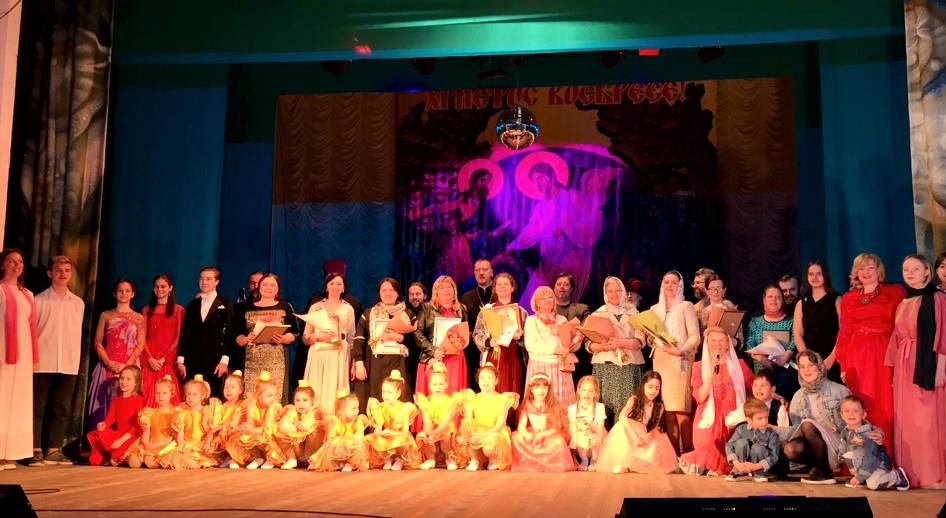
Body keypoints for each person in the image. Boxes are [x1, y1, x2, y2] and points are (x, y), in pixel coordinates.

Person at [885, 254, 946, 488]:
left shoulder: (938, 298)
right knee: (908, 422)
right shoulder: (903, 302)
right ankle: (910, 474)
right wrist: (894, 374)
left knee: (928, 421)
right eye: (906, 269)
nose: (910, 273)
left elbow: (943, 334)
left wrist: (941, 369)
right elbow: (896, 339)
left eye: (916, 269)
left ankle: (933, 475)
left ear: (927, 272)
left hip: (927, 364)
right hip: (904, 368)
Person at [834, 253, 904, 449]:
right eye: (861, 268)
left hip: (884, 354)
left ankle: (886, 454)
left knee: (884, 404)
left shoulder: (895, 292)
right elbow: (845, 332)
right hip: (856, 358)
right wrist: (844, 365)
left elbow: (902, 326)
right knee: (859, 403)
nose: (865, 272)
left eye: (870, 267)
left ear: (878, 270)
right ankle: (860, 456)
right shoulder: (848, 298)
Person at [678, 327, 753, 476]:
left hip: (733, 416)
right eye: (713, 341)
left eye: (721, 340)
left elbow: (754, 387)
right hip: (709, 416)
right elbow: (700, 397)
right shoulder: (699, 366)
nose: (717, 344)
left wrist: (775, 396)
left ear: (728, 344)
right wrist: (712, 374)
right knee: (708, 444)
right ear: (707, 344)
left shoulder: (740, 365)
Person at [31, 255, 84, 466]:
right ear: (50, 273)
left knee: (61, 408)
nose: (63, 274)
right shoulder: (38, 300)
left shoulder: (78, 303)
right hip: (43, 360)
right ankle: (34, 448)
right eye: (59, 270)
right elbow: (32, 332)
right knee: (37, 407)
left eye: (67, 270)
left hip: (68, 361)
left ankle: (53, 449)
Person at [649, 270, 700, 454]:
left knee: (681, 409)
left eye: (674, 282)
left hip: (679, 360)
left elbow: (695, 336)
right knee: (668, 410)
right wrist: (649, 337)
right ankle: (673, 454)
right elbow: (652, 339)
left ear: (680, 286)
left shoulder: (686, 306)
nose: (669, 285)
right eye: (666, 282)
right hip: (661, 359)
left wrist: (682, 351)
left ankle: (687, 452)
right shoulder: (654, 309)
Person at [783, 350, 851, 485]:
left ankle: (824, 472)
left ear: (819, 366)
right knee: (790, 449)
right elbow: (797, 430)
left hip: (838, 443)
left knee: (807, 424)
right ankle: (819, 467)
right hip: (816, 450)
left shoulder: (840, 390)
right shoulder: (797, 397)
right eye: (802, 367)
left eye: (810, 365)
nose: (806, 370)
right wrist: (771, 429)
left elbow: (855, 422)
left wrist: (837, 425)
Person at [87, 279, 145, 429]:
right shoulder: (106, 315)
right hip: (108, 365)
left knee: (127, 404)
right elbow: (98, 341)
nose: (123, 293)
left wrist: (127, 365)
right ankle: (102, 435)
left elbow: (140, 345)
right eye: (120, 290)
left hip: (129, 366)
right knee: (104, 404)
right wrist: (108, 362)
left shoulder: (139, 318)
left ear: (133, 294)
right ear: (114, 293)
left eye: (127, 290)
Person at [587, 276, 645, 426]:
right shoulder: (598, 314)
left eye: (618, 290)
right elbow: (589, 344)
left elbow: (640, 341)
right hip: (605, 367)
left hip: (629, 367)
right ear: (605, 293)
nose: (614, 294)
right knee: (605, 409)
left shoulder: (634, 312)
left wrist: (620, 342)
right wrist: (603, 347)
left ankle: (624, 438)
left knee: (627, 408)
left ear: (624, 291)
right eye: (610, 291)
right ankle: (606, 438)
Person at [597, 370, 678, 475]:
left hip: (646, 432)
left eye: (657, 388)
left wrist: (649, 435)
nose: (653, 391)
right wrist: (635, 435)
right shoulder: (634, 399)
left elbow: (655, 425)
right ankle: (623, 464)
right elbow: (622, 416)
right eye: (650, 387)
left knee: (655, 448)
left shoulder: (659, 405)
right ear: (643, 385)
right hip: (632, 430)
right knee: (621, 427)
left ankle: (635, 465)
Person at [233, 273, 298, 401]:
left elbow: (294, 333)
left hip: (277, 359)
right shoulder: (246, 308)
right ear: (259, 287)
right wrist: (246, 339)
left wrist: (284, 338)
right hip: (252, 359)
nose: (268, 288)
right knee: (251, 396)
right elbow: (237, 335)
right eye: (265, 285)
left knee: (274, 396)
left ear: (278, 288)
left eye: (272, 285)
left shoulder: (285, 307)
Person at [352, 278, 414, 412]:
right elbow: (359, 339)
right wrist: (359, 363)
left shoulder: (408, 314)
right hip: (375, 365)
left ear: (397, 293)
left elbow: (415, 340)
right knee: (376, 399)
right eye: (384, 290)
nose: (388, 293)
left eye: (391, 290)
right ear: (379, 293)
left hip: (399, 364)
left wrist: (398, 337)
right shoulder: (369, 313)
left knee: (399, 398)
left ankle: (398, 424)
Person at [300, 272, 355, 413]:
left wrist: (353, 362)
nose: (335, 287)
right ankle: (314, 418)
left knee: (335, 388)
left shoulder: (348, 308)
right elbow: (305, 337)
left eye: (339, 284)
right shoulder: (316, 307)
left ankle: (334, 420)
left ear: (343, 287)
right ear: (326, 286)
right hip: (318, 353)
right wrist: (317, 336)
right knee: (316, 386)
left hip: (339, 355)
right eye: (332, 283)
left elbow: (351, 338)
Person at [177, 266, 234, 398]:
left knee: (213, 397)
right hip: (192, 360)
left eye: (208, 279)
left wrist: (224, 361)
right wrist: (180, 360)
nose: (204, 282)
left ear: (217, 282)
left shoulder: (226, 304)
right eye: (201, 279)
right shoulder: (192, 304)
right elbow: (185, 333)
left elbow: (229, 335)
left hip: (215, 361)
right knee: (192, 396)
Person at [838, 395, 910, 490]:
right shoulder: (845, 431)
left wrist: (860, 477)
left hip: (877, 465)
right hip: (864, 466)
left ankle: (897, 476)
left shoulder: (869, 435)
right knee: (849, 454)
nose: (851, 414)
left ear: (864, 415)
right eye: (847, 411)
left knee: (873, 484)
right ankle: (865, 477)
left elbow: (871, 458)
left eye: (856, 411)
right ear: (842, 415)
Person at [456, 363, 519, 471]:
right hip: (478, 431)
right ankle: (474, 460)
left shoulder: (502, 399)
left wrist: (482, 436)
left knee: (489, 447)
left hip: (494, 431)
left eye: (489, 378)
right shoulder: (473, 398)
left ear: (496, 381)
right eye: (482, 378)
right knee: (467, 426)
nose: (486, 381)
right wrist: (463, 436)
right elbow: (468, 420)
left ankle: (492, 459)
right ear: (478, 381)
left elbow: (500, 425)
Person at [414, 275, 469, 399]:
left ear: (454, 290)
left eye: (449, 287)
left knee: (454, 395)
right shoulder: (426, 308)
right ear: (436, 291)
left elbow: (465, 332)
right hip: (433, 358)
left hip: (455, 359)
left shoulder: (461, 309)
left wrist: (461, 341)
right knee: (433, 396)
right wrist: (433, 351)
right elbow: (418, 333)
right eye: (442, 288)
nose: (446, 290)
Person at [472, 273, 527, 396]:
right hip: (494, 355)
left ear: (512, 288)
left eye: (506, 284)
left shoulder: (521, 312)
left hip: (514, 356)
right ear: (495, 288)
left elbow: (528, 340)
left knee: (513, 389)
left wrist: (520, 338)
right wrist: (489, 342)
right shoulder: (487, 310)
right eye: (499, 284)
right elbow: (477, 334)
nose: (502, 287)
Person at [511, 373, 575, 472]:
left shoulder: (553, 405)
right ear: (531, 389)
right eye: (537, 387)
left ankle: (548, 464)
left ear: (548, 389)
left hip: (548, 434)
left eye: (544, 387)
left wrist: (542, 435)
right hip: (533, 433)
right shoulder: (527, 405)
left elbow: (556, 427)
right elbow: (521, 427)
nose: (541, 390)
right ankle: (530, 463)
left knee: (558, 443)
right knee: (516, 438)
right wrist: (526, 434)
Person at [524, 286, 578, 404]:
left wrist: (575, 342)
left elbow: (571, 342)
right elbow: (530, 346)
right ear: (536, 303)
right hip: (541, 367)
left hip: (562, 366)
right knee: (543, 403)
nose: (547, 300)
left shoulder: (562, 319)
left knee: (562, 404)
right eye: (543, 298)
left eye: (550, 297)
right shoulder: (532, 320)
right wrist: (555, 350)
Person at [745, 285, 798, 398]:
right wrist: (761, 358)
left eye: (778, 297)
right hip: (762, 379)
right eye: (770, 297)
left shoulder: (792, 321)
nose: (774, 299)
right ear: (764, 300)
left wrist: (784, 358)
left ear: (782, 300)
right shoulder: (755, 322)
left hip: (786, 377)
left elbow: (795, 342)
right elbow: (749, 345)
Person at [793, 260, 842, 383]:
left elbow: (843, 332)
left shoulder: (837, 299)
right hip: (809, 362)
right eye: (811, 274)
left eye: (818, 274)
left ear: (825, 275)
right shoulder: (801, 303)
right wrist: (806, 360)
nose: (814, 277)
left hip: (832, 358)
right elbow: (797, 333)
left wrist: (832, 358)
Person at [86, 365, 144, 466]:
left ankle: (119, 457)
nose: (124, 382)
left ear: (136, 383)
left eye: (128, 379)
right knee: (97, 434)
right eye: (122, 378)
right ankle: (109, 455)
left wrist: (121, 441)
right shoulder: (115, 401)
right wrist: (103, 424)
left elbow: (135, 426)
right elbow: (109, 419)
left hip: (131, 437)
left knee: (115, 459)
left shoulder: (139, 400)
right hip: (118, 434)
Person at [140, 274, 184, 407]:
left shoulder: (178, 310)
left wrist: (165, 358)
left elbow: (179, 336)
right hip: (150, 362)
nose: (160, 289)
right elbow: (142, 336)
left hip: (167, 362)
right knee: (147, 399)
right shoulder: (147, 310)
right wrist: (149, 358)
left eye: (163, 286)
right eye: (157, 286)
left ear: (170, 288)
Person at [365, 370, 421, 470]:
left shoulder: (404, 408)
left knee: (404, 439)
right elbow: (377, 429)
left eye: (389, 392)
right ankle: (388, 459)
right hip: (387, 436)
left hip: (398, 435)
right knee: (372, 439)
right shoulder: (380, 407)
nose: (385, 395)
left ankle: (400, 460)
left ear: (398, 393)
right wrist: (380, 432)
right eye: (384, 392)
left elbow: (405, 432)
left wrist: (392, 433)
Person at [226, 370, 282, 469]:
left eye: (275, 395)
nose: (273, 399)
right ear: (258, 395)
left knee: (266, 436)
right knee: (240, 436)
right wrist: (246, 428)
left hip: (269, 433)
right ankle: (258, 457)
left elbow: (267, 428)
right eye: (269, 396)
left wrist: (250, 430)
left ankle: (271, 458)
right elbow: (250, 422)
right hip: (257, 430)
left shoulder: (274, 407)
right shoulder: (251, 405)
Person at [124, 374, 180, 469]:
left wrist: (157, 445)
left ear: (172, 394)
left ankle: (162, 461)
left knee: (149, 461)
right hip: (151, 443)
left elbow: (174, 438)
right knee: (133, 462)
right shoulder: (149, 412)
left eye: (164, 393)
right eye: (157, 393)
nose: (160, 396)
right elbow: (146, 434)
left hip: (166, 444)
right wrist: (146, 443)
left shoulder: (175, 413)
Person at [308, 390, 371, 472]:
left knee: (358, 443)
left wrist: (351, 440)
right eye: (353, 409)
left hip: (352, 448)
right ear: (342, 411)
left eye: (357, 408)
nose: (356, 411)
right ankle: (339, 462)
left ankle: (350, 463)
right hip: (338, 449)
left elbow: (359, 437)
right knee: (337, 444)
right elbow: (330, 441)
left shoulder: (358, 421)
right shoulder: (335, 421)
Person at [415, 360, 461, 470]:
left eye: (441, 384)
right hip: (431, 427)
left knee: (445, 436)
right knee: (424, 436)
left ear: (447, 384)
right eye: (435, 384)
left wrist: (437, 432)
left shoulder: (451, 401)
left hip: (445, 428)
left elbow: (446, 421)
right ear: (429, 385)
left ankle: (449, 459)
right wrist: (429, 433)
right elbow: (427, 422)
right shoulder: (426, 400)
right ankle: (430, 459)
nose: (438, 387)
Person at [724, 399, 781, 482]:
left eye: (766, 417)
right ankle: (738, 472)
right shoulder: (741, 429)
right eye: (760, 418)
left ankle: (758, 474)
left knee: (758, 448)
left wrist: (755, 466)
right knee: (741, 443)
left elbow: (774, 455)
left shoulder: (772, 434)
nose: (764, 421)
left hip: (759, 466)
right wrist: (737, 463)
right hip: (740, 465)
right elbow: (729, 445)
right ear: (749, 420)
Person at [272, 380, 323, 470]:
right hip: (300, 450)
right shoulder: (293, 411)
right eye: (298, 400)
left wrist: (294, 423)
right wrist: (295, 430)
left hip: (313, 449)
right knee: (275, 428)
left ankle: (313, 459)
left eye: (305, 400)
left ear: (312, 400)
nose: (301, 404)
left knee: (315, 429)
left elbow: (305, 427)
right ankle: (292, 458)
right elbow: (282, 427)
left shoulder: (316, 411)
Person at [553, 272, 592, 384]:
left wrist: (580, 335)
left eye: (566, 284)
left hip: (577, 361)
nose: (562, 286)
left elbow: (587, 328)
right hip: (553, 360)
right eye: (559, 284)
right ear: (554, 288)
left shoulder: (582, 309)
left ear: (571, 289)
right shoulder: (545, 311)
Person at [461, 259, 494, 387]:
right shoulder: (466, 297)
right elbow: (463, 322)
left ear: (491, 272)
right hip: (473, 349)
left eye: (485, 269)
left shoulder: (499, 295)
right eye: (478, 270)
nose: (481, 273)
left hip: (495, 347)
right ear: (474, 273)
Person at [172, 375, 217, 469]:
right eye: (188, 394)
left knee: (191, 462)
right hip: (187, 445)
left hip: (201, 445)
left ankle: (195, 461)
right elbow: (180, 433)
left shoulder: (207, 411)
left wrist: (206, 444)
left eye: (194, 394)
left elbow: (211, 431)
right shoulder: (183, 412)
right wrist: (181, 448)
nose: (190, 398)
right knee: (176, 458)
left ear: (202, 396)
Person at [203, 370, 245, 468]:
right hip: (222, 437)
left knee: (234, 434)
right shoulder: (221, 407)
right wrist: (208, 441)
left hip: (235, 435)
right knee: (209, 449)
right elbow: (214, 427)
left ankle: (234, 458)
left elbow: (235, 423)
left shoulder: (242, 405)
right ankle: (226, 457)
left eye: (233, 387)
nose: (228, 390)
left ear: (240, 390)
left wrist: (221, 427)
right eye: (226, 387)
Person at [568, 375, 606, 471]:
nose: (587, 393)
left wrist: (590, 426)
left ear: (595, 393)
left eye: (591, 391)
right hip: (581, 437)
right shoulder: (572, 408)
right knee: (579, 436)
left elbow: (600, 428)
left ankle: (594, 460)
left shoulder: (599, 407)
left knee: (595, 437)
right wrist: (578, 430)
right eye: (584, 390)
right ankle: (584, 459)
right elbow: (572, 425)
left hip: (595, 434)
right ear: (578, 390)